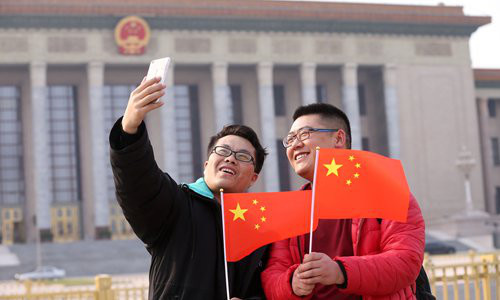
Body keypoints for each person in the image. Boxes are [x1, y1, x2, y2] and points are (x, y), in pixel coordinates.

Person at [109, 76, 268, 300]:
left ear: (253, 177)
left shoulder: (261, 230)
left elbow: (267, 287)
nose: (230, 159)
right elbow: (139, 181)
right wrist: (129, 130)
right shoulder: (177, 205)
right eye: (222, 151)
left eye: (242, 156)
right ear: (206, 165)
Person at [261, 103, 425, 299]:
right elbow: (273, 275)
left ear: (338, 138)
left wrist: (340, 272)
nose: (295, 145)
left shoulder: (387, 192)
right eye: (290, 139)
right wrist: (291, 284)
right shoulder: (290, 210)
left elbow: (405, 261)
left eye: (304, 134)